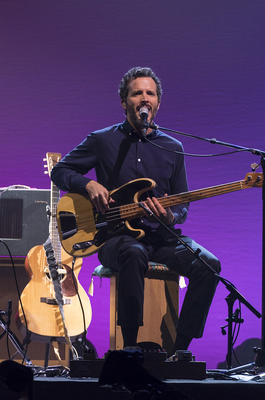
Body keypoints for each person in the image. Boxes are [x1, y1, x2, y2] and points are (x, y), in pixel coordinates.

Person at [50, 67, 220, 355]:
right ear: (124, 102)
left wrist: (169, 216)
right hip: (113, 238)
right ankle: (130, 347)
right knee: (134, 252)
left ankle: (179, 350)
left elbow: (181, 205)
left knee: (209, 265)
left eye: (150, 93)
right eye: (137, 93)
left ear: (158, 103)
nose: (144, 98)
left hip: (161, 238)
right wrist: (88, 184)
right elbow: (60, 171)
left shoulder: (173, 147)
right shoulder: (102, 140)